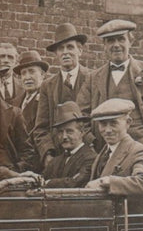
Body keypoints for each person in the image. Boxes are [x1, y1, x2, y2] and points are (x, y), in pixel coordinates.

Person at [88, 19, 143, 162]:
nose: (116, 45)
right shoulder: (93, 78)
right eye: (111, 41)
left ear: (131, 41)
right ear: (104, 46)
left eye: (121, 39)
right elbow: (81, 117)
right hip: (106, 152)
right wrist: (93, 144)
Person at [33, 23, 93, 168]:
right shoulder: (48, 86)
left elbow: (97, 121)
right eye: (61, 49)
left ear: (80, 50)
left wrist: (90, 148)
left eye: (70, 47)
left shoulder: (93, 78)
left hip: (88, 154)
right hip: (58, 157)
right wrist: (48, 154)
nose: (65, 52)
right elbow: (41, 127)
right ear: (56, 54)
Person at [85, 98, 143, 197]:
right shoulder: (103, 153)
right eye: (103, 124)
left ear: (128, 122)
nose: (108, 130)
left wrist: (107, 181)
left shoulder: (140, 151)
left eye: (113, 123)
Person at [42, 101, 96, 188]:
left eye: (69, 131)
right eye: (60, 132)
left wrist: (48, 183)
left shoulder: (91, 159)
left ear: (82, 132)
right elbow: (41, 180)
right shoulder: (54, 162)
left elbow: (75, 183)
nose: (64, 136)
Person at [13, 50, 48, 134]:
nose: (27, 77)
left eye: (32, 71)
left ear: (42, 74)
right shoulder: (16, 102)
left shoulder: (47, 99)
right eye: (23, 73)